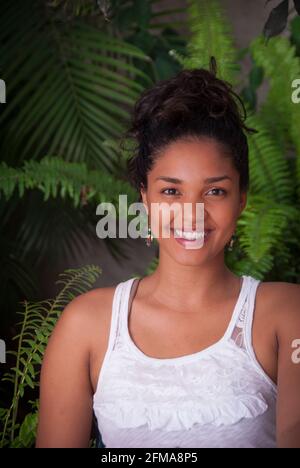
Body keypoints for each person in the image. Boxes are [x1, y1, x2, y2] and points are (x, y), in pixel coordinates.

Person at [36, 63, 300, 448]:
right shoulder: (86, 325)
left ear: (241, 199)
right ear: (144, 198)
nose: (191, 213)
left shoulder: (286, 314)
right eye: (172, 192)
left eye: (215, 191)